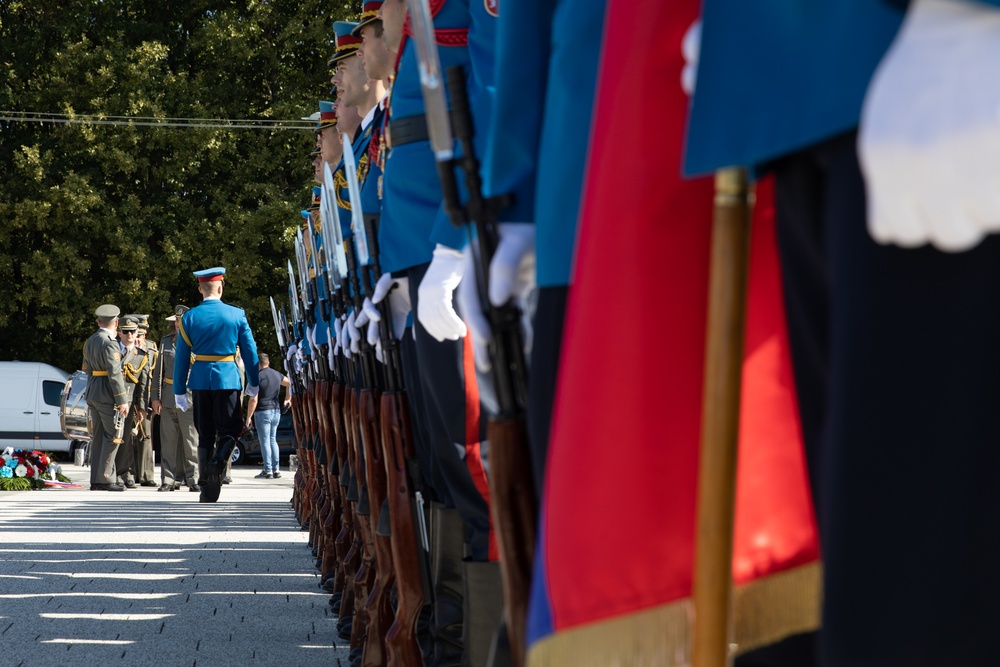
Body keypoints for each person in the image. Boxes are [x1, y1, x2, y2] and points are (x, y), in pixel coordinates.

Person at [172, 266, 260, 503]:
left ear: (200, 289)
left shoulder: (189, 318)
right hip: (228, 379)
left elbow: (181, 358)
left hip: (200, 380)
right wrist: (254, 382)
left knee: (205, 434)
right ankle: (218, 462)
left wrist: (179, 390)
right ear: (220, 287)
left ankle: (207, 490)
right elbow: (251, 353)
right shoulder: (236, 315)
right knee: (231, 430)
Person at [151, 305, 200, 492]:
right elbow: (158, 372)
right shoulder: (166, 342)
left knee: (190, 441)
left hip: (189, 396)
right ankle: (168, 479)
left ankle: (192, 478)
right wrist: (155, 397)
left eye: (183, 321)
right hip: (168, 396)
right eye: (177, 321)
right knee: (168, 441)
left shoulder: (198, 342)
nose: (179, 324)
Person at [83, 304, 129, 492]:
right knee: (113, 436)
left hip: (94, 391)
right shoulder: (109, 343)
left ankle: (98, 479)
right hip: (107, 393)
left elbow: (86, 369)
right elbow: (114, 373)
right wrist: (122, 400)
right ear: (116, 322)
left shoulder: (91, 340)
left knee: (99, 436)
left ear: (98, 321)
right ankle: (106, 478)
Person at [114, 316, 150, 489]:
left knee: (126, 439)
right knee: (111, 439)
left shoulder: (141, 356)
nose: (129, 335)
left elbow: (143, 385)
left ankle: (124, 473)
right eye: (125, 331)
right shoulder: (111, 350)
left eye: (132, 332)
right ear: (119, 332)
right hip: (110, 401)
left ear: (137, 334)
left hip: (128, 403)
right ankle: (111, 473)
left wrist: (141, 407)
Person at [245, 353, 291, 479]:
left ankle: (267, 470)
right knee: (272, 440)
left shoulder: (257, 377)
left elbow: (253, 399)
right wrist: (287, 399)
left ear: (257, 364)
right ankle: (276, 470)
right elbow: (289, 383)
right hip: (276, 411)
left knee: (264, 441)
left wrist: (249, 416)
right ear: (268, 362)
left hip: (262, 411)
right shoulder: (277, 374)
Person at [132, 314, 158, 486]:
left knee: (145, 436)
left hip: (146, 399)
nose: (138, 338)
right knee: (129, 438)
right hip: (130, 398)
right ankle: (130, 474)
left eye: (141, 335)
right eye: (136, 334)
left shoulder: (152, 348)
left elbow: (155, 377)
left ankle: (147, 475)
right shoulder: (127, 349)